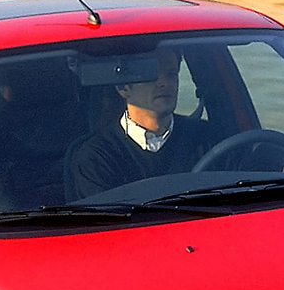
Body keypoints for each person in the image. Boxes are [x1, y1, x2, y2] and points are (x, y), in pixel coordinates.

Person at [68, 48, 216, 200]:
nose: (165, 82)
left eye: (171, 74)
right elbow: (104, 221)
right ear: (123, 88)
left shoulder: (209, 139)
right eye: (151, 74)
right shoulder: (94, 158)